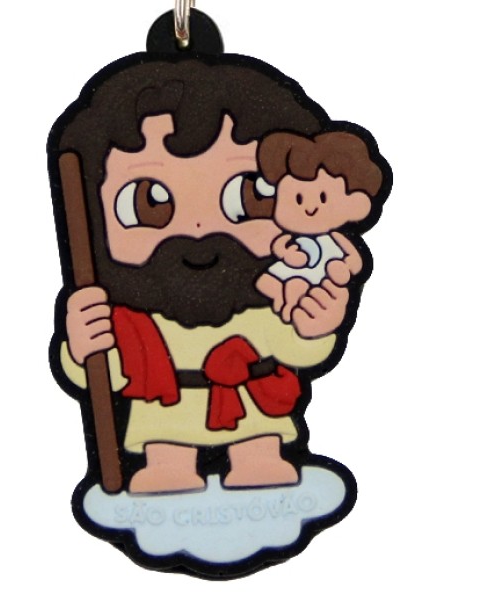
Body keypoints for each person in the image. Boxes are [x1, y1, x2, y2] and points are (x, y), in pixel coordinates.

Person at [51, 57, 387, 495]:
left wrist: (316, 326)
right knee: (165, 467)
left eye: (248, 196)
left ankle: (259, 461)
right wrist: (83, 346)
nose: (198, 230)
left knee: (262, 465)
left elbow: (297, 348)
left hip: (255, 411)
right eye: (149, 204)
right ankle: (169, 468)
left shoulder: (274, 293)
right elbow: (106, 373)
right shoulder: (132, 321)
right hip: (164, 418)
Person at [255, 131, 385, 320]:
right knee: (264, 282)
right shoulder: (288, 236)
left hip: (318, 277)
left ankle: (290, 303)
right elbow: (279, 246)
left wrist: (347, 266)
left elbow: (355, 260)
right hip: (289, 270)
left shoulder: (337, 239)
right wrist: (287, 254)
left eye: (323, 198)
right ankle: (282, 299)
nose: (310, 208)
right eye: (298, 199)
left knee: (300, 285)